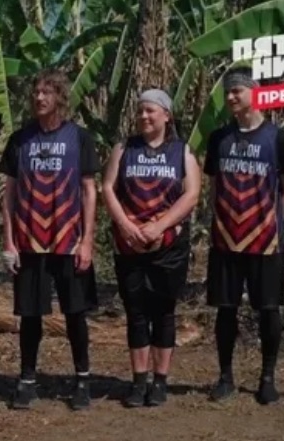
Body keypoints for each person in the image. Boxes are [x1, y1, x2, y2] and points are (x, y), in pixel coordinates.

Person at [0, 69, 99, 411]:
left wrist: (87, 241)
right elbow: (9, 195)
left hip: (69, 240)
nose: (39, 98)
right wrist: (9, 241)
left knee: (75, 313)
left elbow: (89, 191)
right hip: (29, 241)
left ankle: (82, 380)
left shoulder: (79, 138)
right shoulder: (20, 140)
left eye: (47, 92)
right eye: (36, 92)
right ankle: (27, 380)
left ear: (60, 97)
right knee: (30, 315)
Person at [203, 66, 284, 405]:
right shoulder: (219, 139)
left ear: (255, 93)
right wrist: (220, 220)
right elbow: (214, 186)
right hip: (226, 239)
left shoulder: (279, 139)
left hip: (265, 239)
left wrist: (275, 223)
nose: (230, 97)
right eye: (227, 92)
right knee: (225, 309)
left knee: (269, 309)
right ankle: (225, 377)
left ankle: (267, 378)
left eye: (237, 91)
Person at [101, 89, 201, 407]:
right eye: (140, 110)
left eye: (151, 111)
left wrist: (161, 226)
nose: (144, 116)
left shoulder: (182, 151)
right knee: (136, 312)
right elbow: (108, 188)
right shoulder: (123, 149)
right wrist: (125, 225)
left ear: (166, 116)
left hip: (168, 246)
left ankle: (160, 381)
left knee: (164, 312)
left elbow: (191, 194)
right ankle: (138, 381)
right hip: (129, 244)